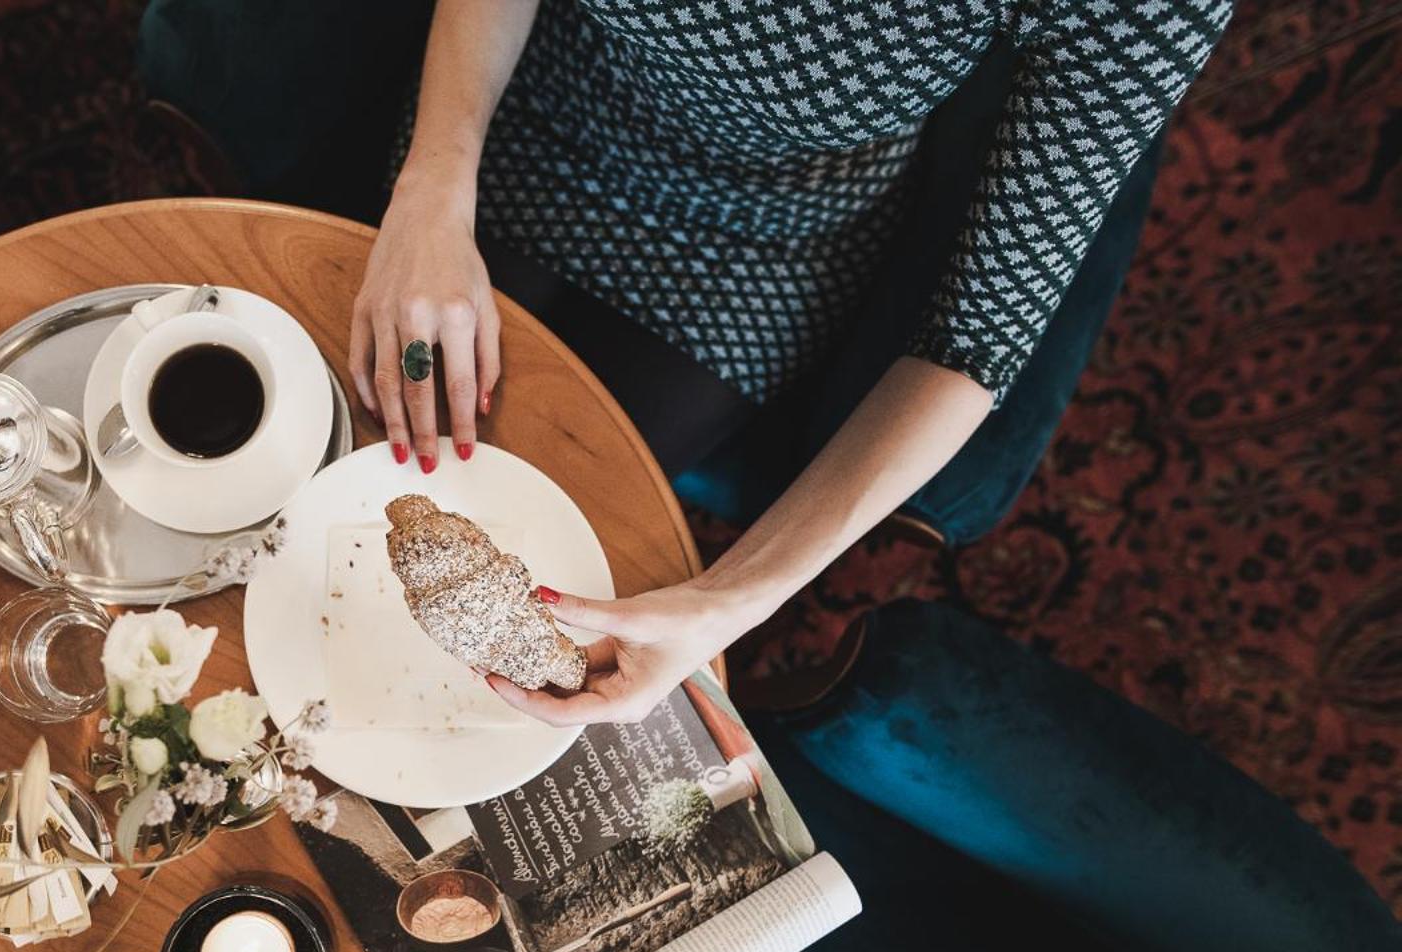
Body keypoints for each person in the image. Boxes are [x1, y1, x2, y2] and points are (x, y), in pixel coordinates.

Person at [350, 0, 1231, 725]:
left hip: (765, 236)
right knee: (357, 450)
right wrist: (434, 183)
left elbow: (974, 343)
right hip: (521, 95)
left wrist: (729, 603)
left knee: (528, 554)